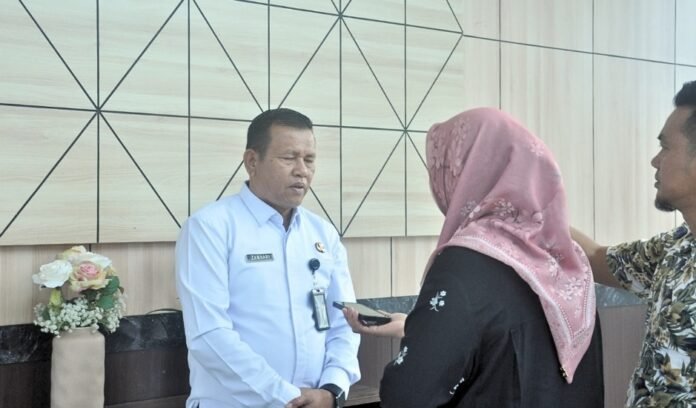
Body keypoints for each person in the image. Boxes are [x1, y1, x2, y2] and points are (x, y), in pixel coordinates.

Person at [345, 107, 605, 407]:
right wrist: (420, 326)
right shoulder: (568, 261)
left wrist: (425, 335)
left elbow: (409, 393)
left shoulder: (464, 264)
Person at [175, 108, 360, 408]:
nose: (302, 170)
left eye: (309, 159)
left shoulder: (323, 234)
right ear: (252, 161)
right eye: (289, 158)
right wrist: (285, 397)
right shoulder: (210, 228)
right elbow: (209, 335)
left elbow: (344, 322)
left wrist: (333, 389)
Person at [571, 80, 696, 407]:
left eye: (666, 147)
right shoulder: (678, 247)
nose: (655, 161)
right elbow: (596, 257)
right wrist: (535, 206)